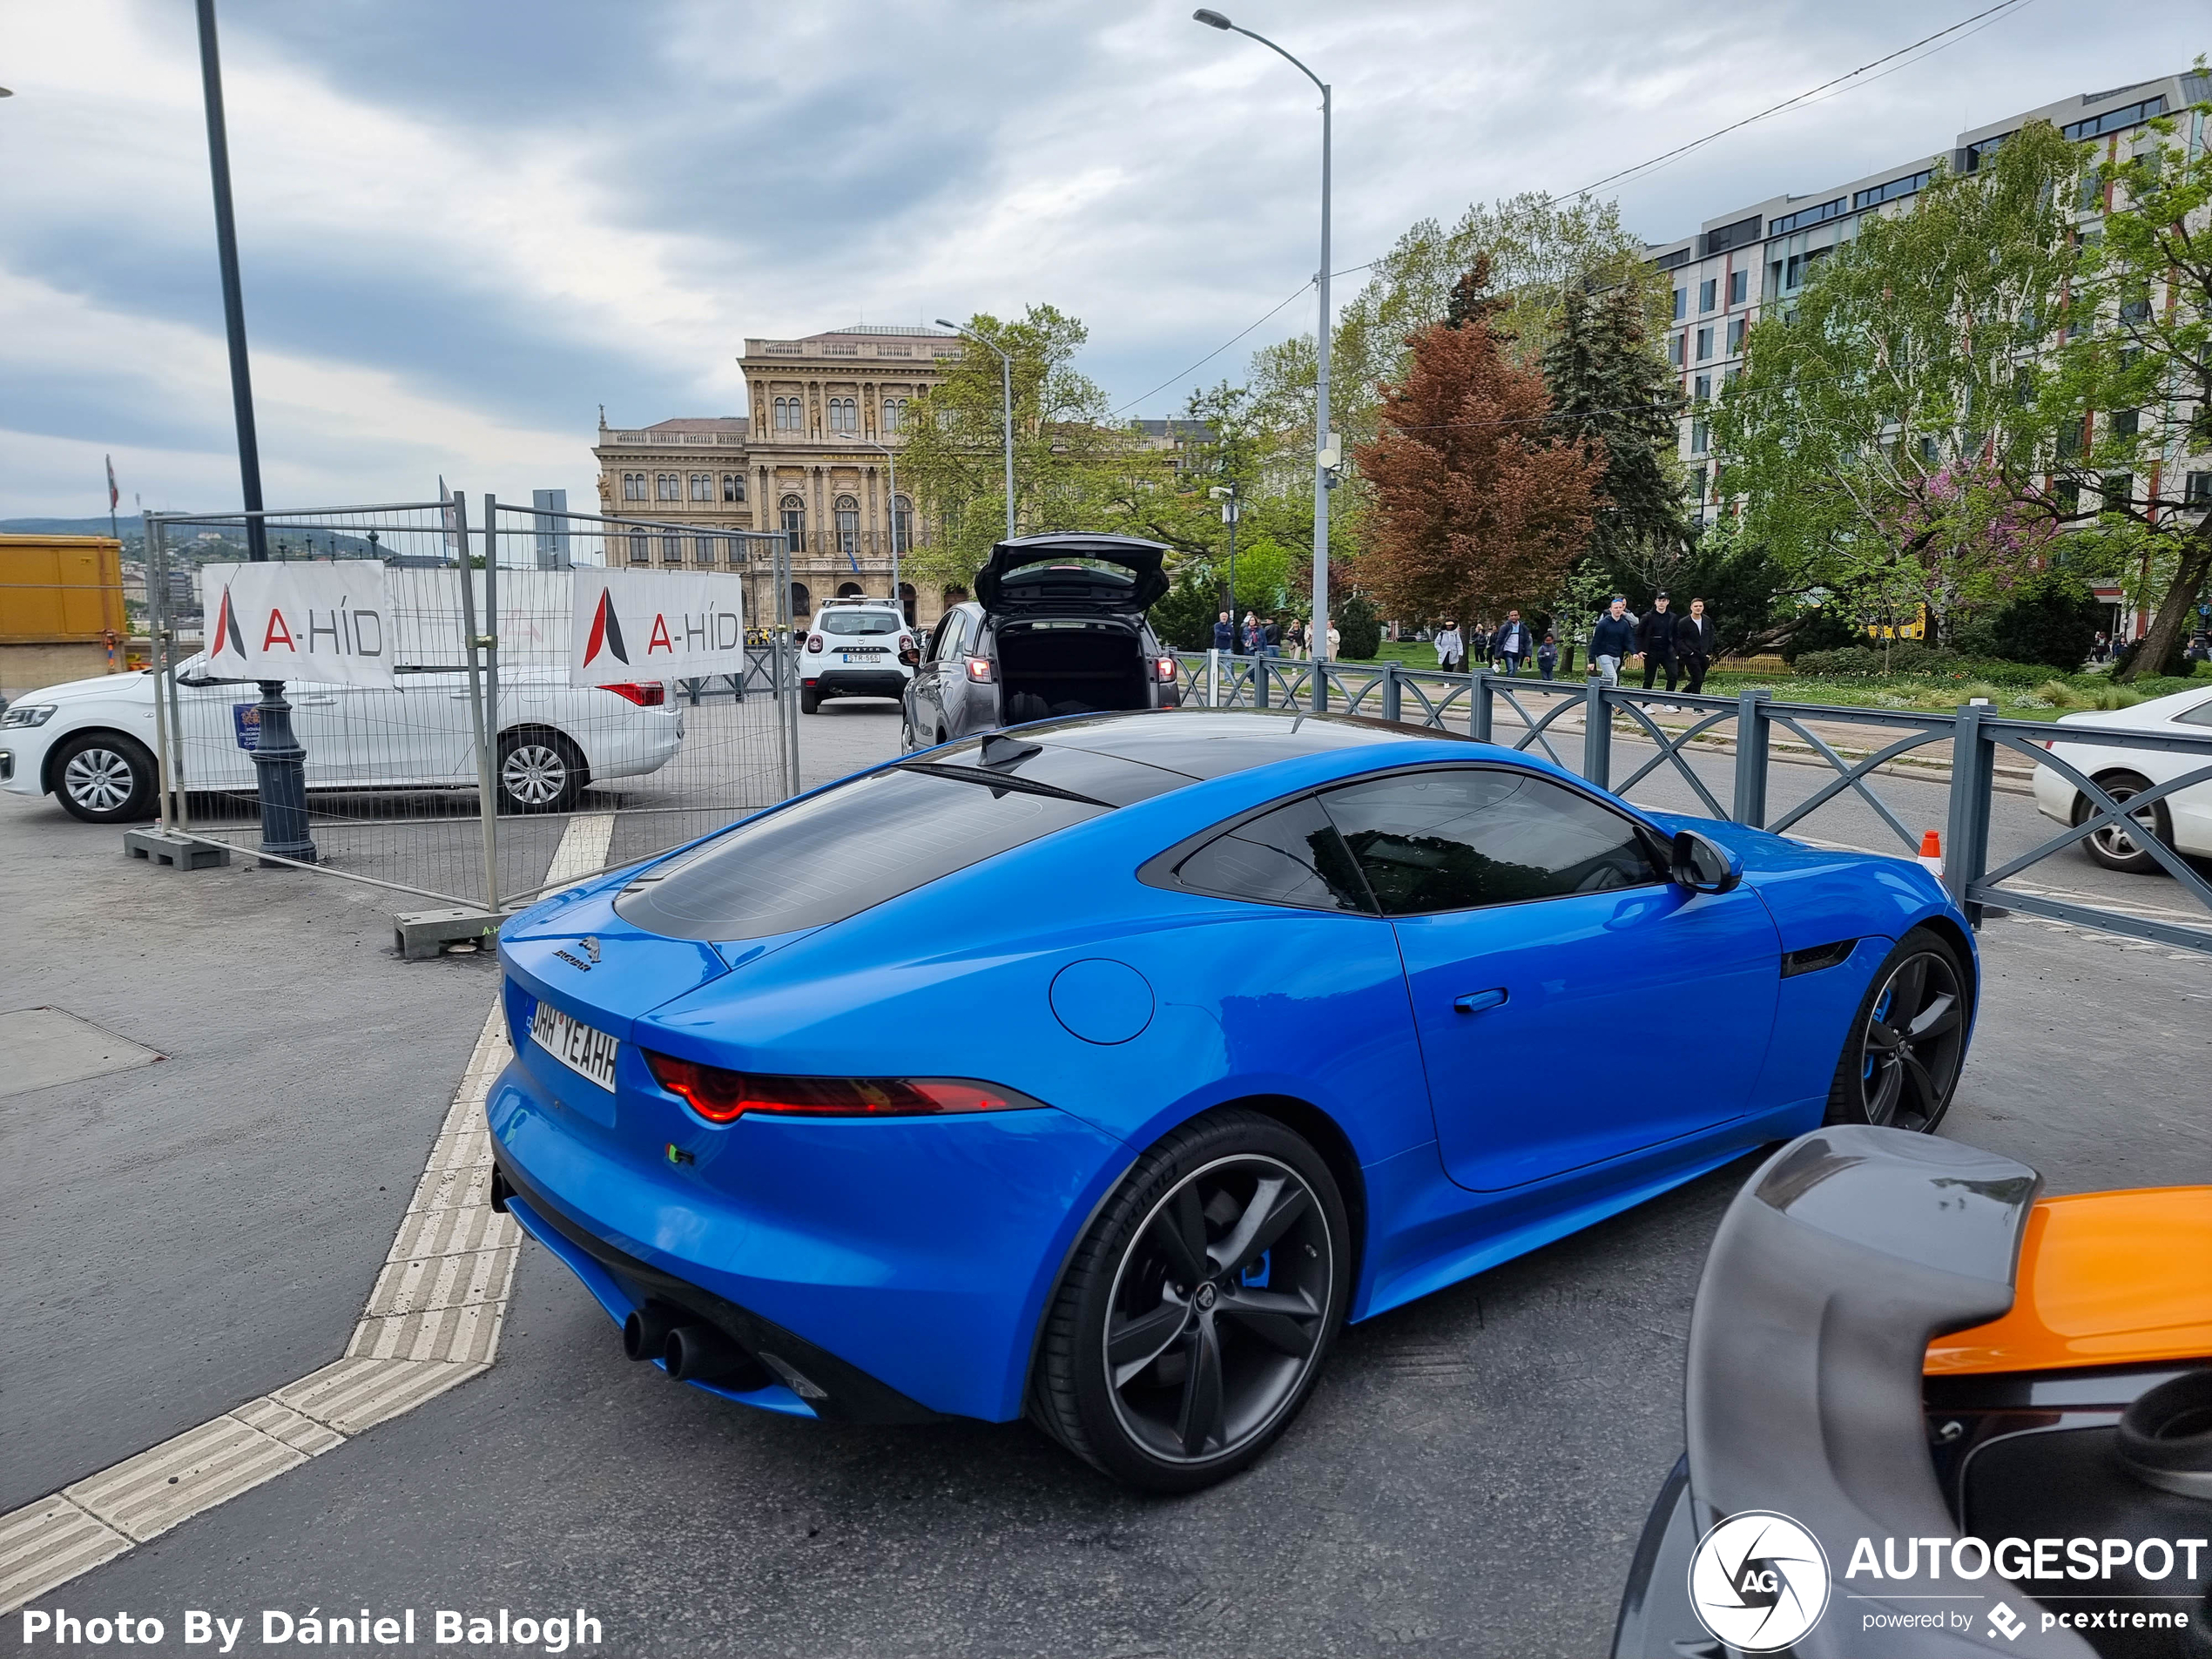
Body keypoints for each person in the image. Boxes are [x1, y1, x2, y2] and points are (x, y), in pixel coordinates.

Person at [1638, 590, 1681, 695]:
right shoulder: (1648, 617)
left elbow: (1676, 635)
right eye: (1659, 600)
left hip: (1667, 650)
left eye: (1664, 600)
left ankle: (1668, 701)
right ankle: (1646, 704)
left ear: (1668, 602)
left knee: (1673, 675)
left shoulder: (1673, 617)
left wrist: (1677, 651)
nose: (1661, 603)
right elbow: (1638, 633)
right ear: (1655, 602)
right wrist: (1640, 649)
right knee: (1649, 678)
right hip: (1651, 650)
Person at [1677, 597, 1719, 695]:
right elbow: (1679, 639)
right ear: (1691, 607)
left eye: (1700, 606)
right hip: (1691, 655)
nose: (1698, 608)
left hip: (1704, 654)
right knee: (1698, 679)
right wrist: (1688, 652)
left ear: (1703, 607)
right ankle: (1697, 706)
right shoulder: (1684, 622)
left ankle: (1681, 696)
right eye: (1696, 606)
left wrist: (1709, 652)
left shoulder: (1707, 620)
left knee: (1698, 680)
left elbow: (1710, 636)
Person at [1589, 598, 1636, 687]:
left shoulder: (1624, 624)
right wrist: (1591, 660)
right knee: (1613, 677)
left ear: (1623, 609)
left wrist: (1633, 652)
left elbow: (1628, 640)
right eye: (1616, 608)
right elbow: (1595, 642)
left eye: (1620, 607)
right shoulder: (1603, 624)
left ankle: (1597, 696)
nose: (1618, 610)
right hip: (1603, 654)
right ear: (1611, 609)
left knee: (1606, 678)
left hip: (1616, 655)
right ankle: (1614, 699)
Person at [1493, 610, 1532, 678]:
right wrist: (1497, 657)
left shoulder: (1523, 628)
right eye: (1512, 615)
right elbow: (1499, 642)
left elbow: (1526, 642)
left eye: (1515, 615)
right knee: (1510, 669)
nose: (1514, 617)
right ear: (1509, 617)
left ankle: (1509, 686)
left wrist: (1528, 655)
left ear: (1518, 616)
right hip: (1508, 651)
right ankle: (1508, 687)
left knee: (1514, 670)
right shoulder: (1505, 627)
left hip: (1517, 652)